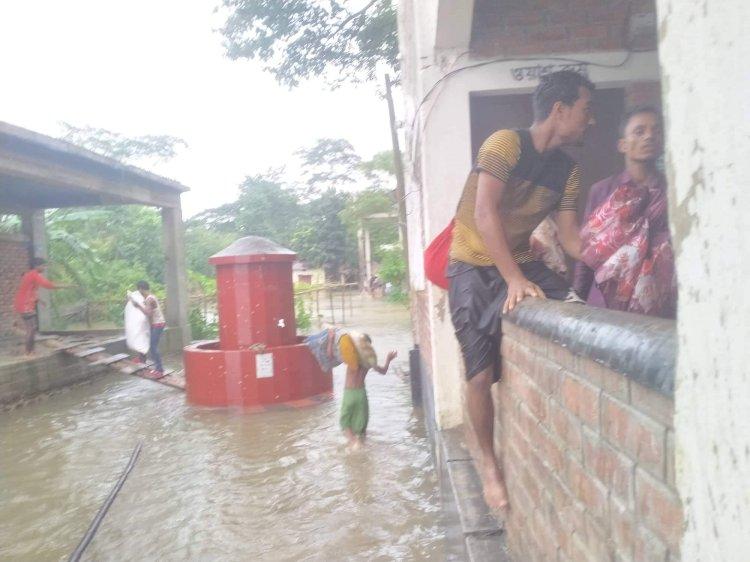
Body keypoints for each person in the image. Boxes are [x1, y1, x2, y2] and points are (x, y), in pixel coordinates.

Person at [447, 70, 595, 510]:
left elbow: (571, 240)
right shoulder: (504, 144)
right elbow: (485, 212)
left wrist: (615, 254)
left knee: (573, 303)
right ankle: (490, 466)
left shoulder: (568, 170)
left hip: (518, 258)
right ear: (559, 110)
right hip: (471, 263)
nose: (591, 121)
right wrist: (513, 279)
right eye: (587, 111)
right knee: (479, 375)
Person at [573, 106, 676, 318]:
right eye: (639, 131)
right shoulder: (603, 191)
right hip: (605, 305)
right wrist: (577, 298)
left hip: (658, 306)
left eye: (656, 131)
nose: (649, 136)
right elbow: (587, 253)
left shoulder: (674, 191)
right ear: (622, 145)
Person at [305, 327, 397, 450]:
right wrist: (388, 359)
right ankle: (361, 447)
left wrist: (331, 339)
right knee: (361, 427)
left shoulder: (351, 358)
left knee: (345, 424)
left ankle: (353, 442)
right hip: (362, 395)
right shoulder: (369, 362)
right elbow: (383, 371)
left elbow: (330, 356)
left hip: (350, 394)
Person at [13, 258, 68, 356]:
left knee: (32, 328)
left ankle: (31, 351)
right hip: (25, 305)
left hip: (24, 303)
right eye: (43, 266)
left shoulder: (30, 275)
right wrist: (66, 286)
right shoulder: (34, 274)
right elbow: (48, 285)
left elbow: (30, 290)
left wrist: (40, 301)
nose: (44, 267)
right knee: (31, 328)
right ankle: (28, 352)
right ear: (36, 266)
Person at [128, 280, 166, 376]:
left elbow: (148, 313)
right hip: (154, 324)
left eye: (138, 290)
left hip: (158, 324)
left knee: (153, 347)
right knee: (144, 339)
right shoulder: (148, 298)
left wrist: (137, 306)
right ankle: (142, 359)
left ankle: (160, 369)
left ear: (141, 289)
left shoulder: (149, 299)